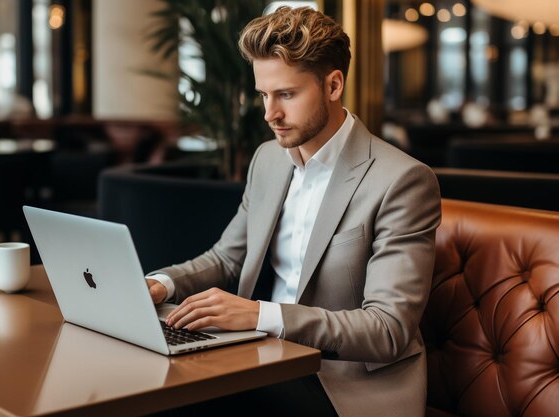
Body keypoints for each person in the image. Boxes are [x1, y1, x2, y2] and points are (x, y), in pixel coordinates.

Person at [146, 6, 441, 417]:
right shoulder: (269, 159)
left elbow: (388, 329)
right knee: (152, 383)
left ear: (334, 85)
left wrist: (258, 315)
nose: (270, 114)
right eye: (264, 95)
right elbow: (226, 257)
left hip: (346, 381)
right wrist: (160, 284)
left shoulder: (403, 181)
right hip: (266, 356)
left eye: (286, 94)